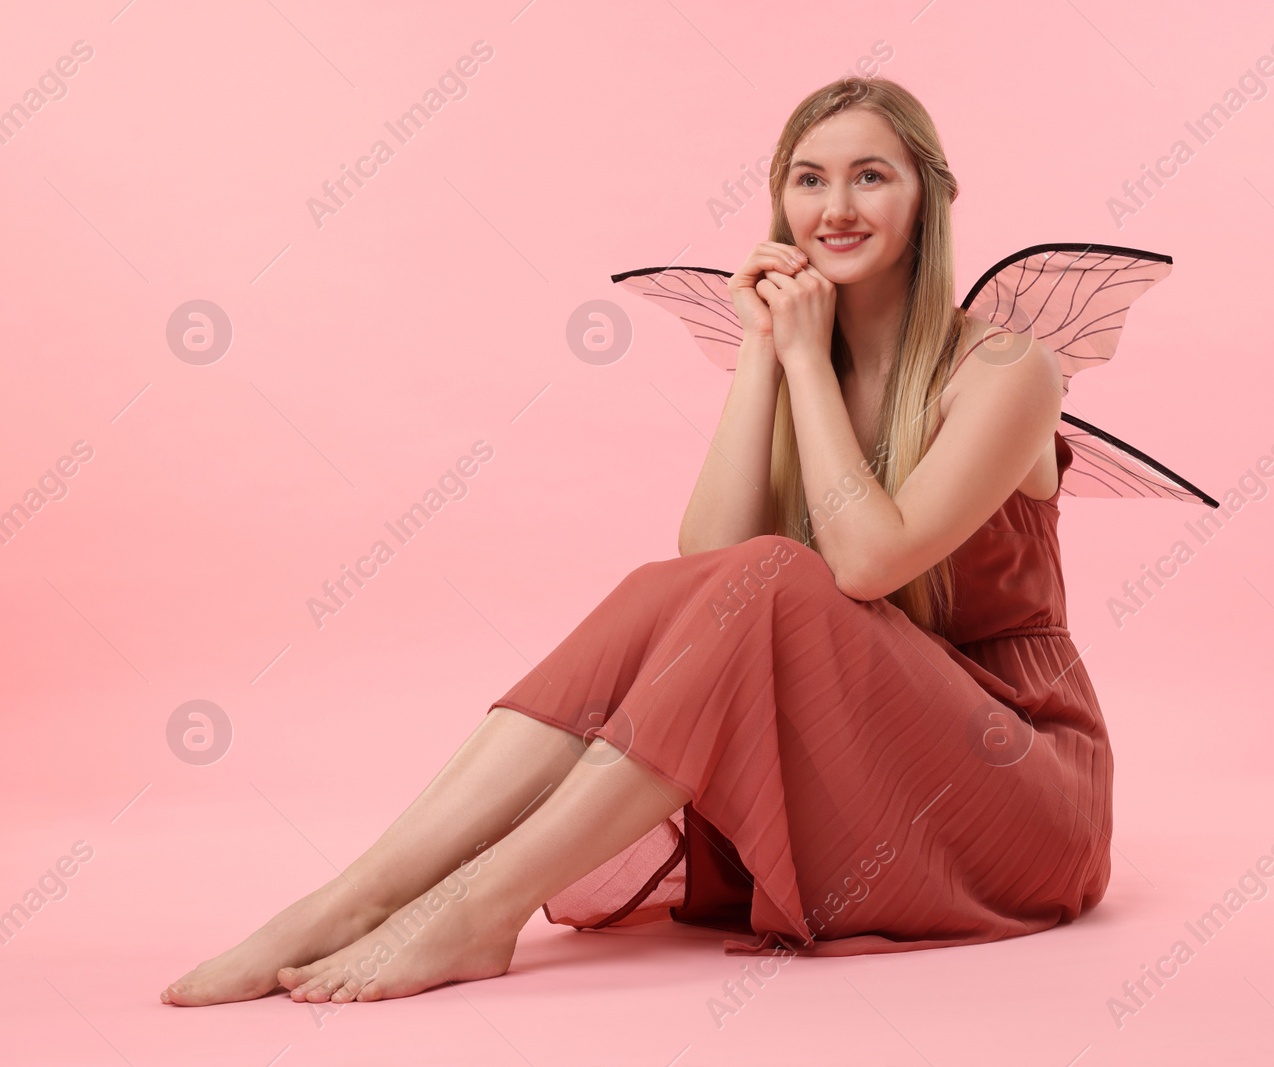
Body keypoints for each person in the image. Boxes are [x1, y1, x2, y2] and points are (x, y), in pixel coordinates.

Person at [160, 75, 1112, 1007]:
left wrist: (801, 369)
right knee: (667, 585)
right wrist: (761, 353)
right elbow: (708, 563)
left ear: (928, 199)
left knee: (777, 575)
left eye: (872, 176)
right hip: (871, 757)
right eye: (808, 179)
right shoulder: (796, 353)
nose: (836, 206)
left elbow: (866, 562)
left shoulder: (1007, 368)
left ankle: (477, 911)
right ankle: (351, 896)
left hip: (1013, 780)